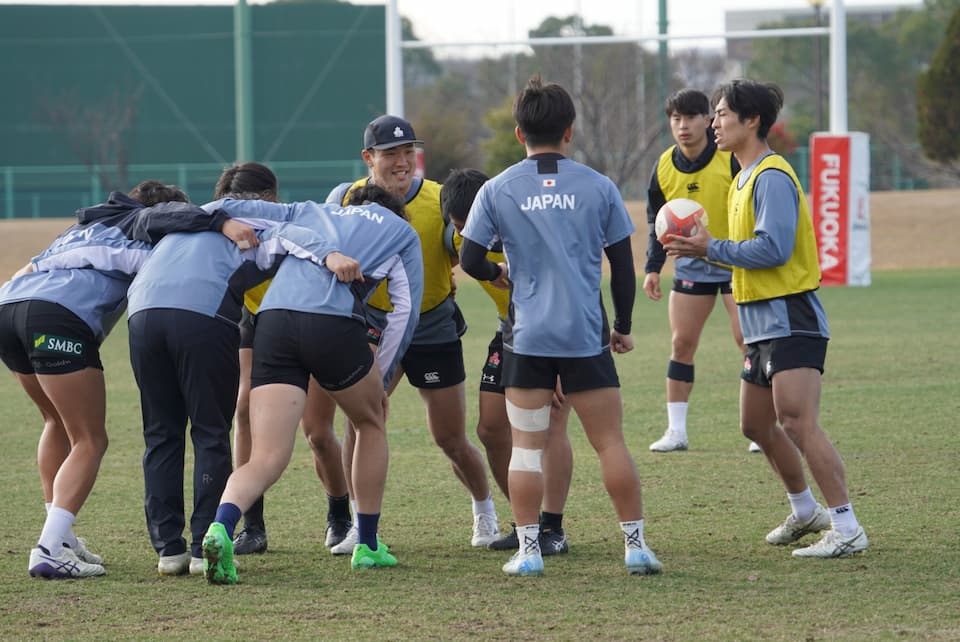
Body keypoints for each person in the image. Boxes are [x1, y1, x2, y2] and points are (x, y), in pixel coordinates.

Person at [0, 181, 255, 579]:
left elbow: (26, 270)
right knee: (90, 439)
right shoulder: (143, 224)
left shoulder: (83, 227)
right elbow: (164, 218)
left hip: (10, 305)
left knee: (56, 423)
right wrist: (218, 221)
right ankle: (49, 548)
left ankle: (61, 534)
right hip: (57, 317)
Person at [460, 75, 662, 577]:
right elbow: (621, 263)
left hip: (527, 337)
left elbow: (468, 257)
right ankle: (635, 547)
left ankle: (528, 553)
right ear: (569, 131)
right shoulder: (598, 186)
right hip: (584, 334)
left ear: (517, 133)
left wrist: (497, 272)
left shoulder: (497, 188)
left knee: (527, 447)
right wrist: (623, 325)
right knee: (610, 443)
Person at [665, 78, 868, 558]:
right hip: (760, 324)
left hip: (790, 316)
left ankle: (847, 527)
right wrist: (706, 249)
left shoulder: (771, 176)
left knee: (797, 422)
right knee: (756, 425)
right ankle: (805, 511)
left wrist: (707, 248)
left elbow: (772, 249)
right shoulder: (740, 177)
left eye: (722, 114)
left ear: (751, 120)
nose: (713, 123)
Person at [201, 185, 423, 584]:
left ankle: (220, 527)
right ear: (397, 212)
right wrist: (382, 380)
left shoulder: (311, 209)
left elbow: (227, 206)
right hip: (332, 325)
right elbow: (405, 310)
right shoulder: (402, 231)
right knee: (370, 422)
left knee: (266, 457)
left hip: (274, 324)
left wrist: (223, 221)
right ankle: (368, 545)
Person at [127, 163, 331, 577]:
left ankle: (169, 550)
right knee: (209, 432)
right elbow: (313, 229)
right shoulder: (271, 214)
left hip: (142, 313)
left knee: (161, 432)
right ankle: (205, 544)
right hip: (201, 315)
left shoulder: (192, 213)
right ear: (269, 195)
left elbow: (140, 219)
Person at [319, 115, 499, 552]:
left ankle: (485, 513)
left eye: (407, 152)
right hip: (373, 326)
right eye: (390, 154)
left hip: (432, 325)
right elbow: (323, 246)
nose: (402, 162)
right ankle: (361, 530)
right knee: (360, 422)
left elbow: (463, 250)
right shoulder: (344, 198)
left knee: (450, 437)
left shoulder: (438, 198)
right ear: (368, 158)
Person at [222, 165, 355, 558]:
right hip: (258, 323)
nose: (253, 213)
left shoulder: (296, 231)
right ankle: (252, 525)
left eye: (260, 203)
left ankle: (339, 514)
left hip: (306, 318)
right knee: (244, 410)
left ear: (273, 198)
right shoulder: (230, 232)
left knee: (316, 430)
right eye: (243, 207)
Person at [441, 168, 574, 555]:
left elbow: (568, 285)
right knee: (491, 428)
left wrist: (563, 360)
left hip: (553, 334)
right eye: (458, 226)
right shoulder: (464, 240)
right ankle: (524, 521)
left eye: (471, 224)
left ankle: (552, 528)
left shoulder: (529, 228)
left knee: (551, 426)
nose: (466, 233)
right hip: (509, 332)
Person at [641, 89, 757, 453]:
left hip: (736, 261)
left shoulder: (730, 158)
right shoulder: (663, 166)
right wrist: (653, 267)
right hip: (692, 265)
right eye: (675, 119)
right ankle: (676, 431)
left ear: (707, 120)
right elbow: (655, 222)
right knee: (681, 344)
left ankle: (760, 429)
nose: (683, 126)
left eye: (691, 117)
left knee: (749, 342)